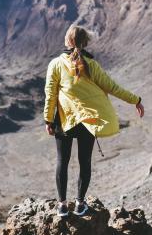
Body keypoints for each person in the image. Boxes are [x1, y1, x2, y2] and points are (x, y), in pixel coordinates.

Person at [43, 24, 145, 217]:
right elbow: (113, 87)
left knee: (62, 161)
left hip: (65, 121)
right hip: (88, 121)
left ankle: (63, 205)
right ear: (84, 42)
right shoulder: (92, 65)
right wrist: (136, 100)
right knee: (85, 162)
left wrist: (48, 120)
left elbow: (50, 94)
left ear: (68, 41)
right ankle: (80, 204)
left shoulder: (56, 64)